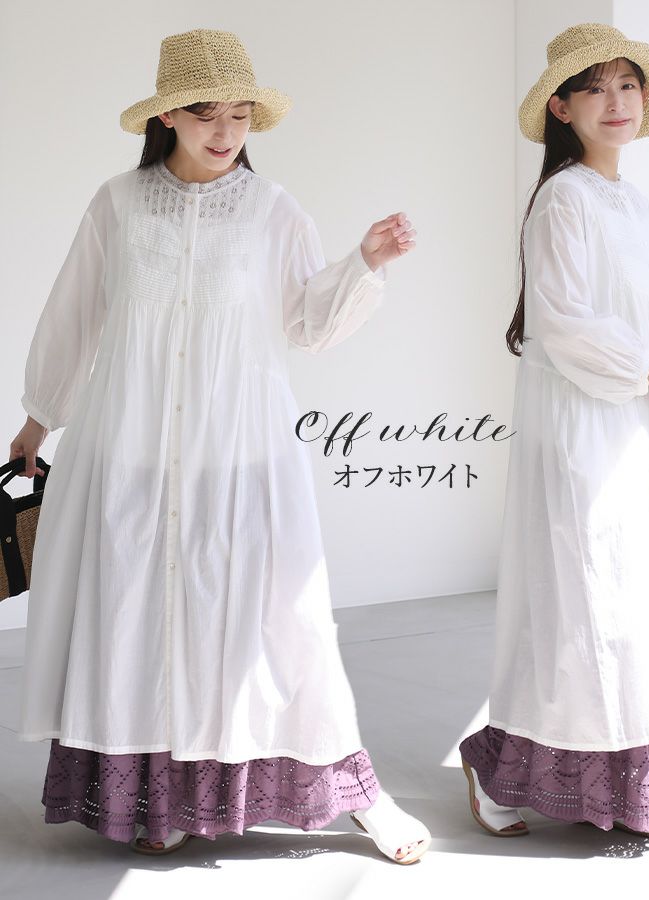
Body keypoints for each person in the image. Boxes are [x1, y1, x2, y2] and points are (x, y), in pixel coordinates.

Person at [11, 28, 430, 864]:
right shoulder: (118, 204)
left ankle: (356, 794)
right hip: (130, 451)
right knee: (138, 623)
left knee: (283, 627)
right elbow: (75, 315)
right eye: (208, 113)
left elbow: (308, 325)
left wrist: (365, 262)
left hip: (240, 454)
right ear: (167, 115)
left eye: (241, 115)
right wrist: (37, 418)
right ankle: (160, 800)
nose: (227, 130)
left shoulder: (272, 209)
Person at [458, 23, 649, 842]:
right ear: (562, 107)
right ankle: (497, 767)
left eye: (627, 85)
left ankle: (632, 794)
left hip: (636, 421)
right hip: (587, 429)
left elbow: (647, 313)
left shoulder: (629, 200)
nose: (615, 101)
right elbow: (561, 323)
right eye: (594, 88)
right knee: (592, 607)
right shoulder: (565, 198)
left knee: (639, 608)